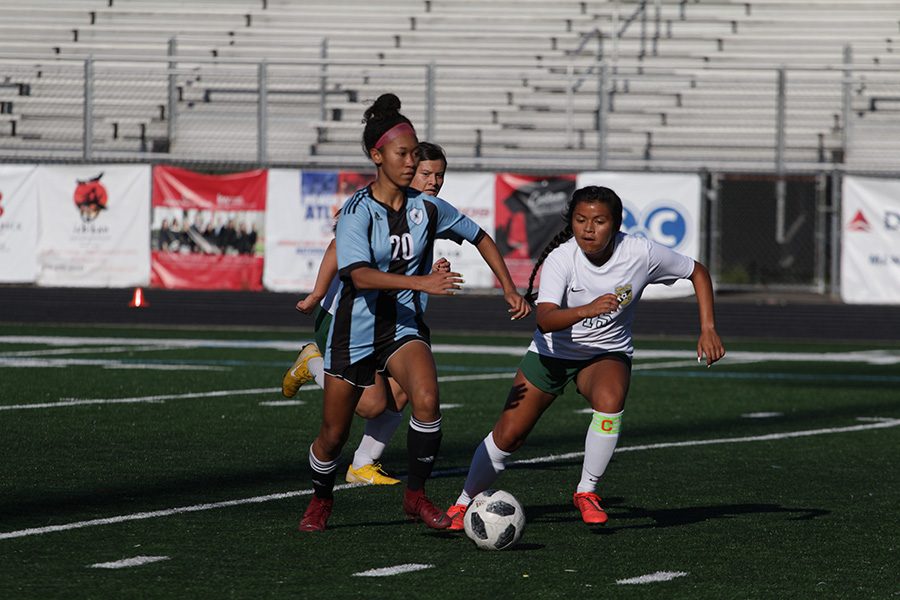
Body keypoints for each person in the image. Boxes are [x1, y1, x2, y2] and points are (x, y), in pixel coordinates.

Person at [298, 93, 531, 532]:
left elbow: (480, 235)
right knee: (334, 435)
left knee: (426, 402)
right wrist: (422, 282)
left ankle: (415, 497)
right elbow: (359, 276)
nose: (411, 162)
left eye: (413, 152)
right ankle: (321, 498)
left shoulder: (427, 207)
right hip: (356, 329)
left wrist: (509, 288)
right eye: (402, 154)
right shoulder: (356, 212)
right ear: (376, 156)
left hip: (403, 328)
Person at [443, 185, 726, 530]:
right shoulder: (562, 258)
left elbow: (697, 272)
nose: (588, 229)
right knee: (509, 436)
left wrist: (708, 328)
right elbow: (545, 319)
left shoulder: (641, 252)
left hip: (605, 353)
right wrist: (587, 310)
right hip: (552, 353)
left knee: (610, 400)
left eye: (599, 221)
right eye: (580, 220)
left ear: (617, 225)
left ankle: (586, 491)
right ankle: (462, 503)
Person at [283, 142, 451, 488]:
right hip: (347, 316)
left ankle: (363, 464)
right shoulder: (376, 204)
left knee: (406, 390)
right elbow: (336, 248)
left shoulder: (428, 208)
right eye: (425, 174)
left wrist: (432, 270)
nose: (433, 181)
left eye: (439, 175)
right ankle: (312, 363)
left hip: (394, 320)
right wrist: (317, 294)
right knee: (371, 405)